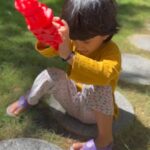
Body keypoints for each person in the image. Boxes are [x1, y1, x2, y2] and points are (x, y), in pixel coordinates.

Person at [7, 0, 121, 149]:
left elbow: (105, 75)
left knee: (100, 87)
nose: (79, 45)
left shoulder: (111, 51)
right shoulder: (74, 41)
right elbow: (52, 50)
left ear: (106, 34)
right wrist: (48, 35)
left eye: (86, 41)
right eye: (74, 39)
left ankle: (104, 140)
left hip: (93, 114)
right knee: (50, 74)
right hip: (72, 102)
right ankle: (30, 99)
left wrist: (70, 56)